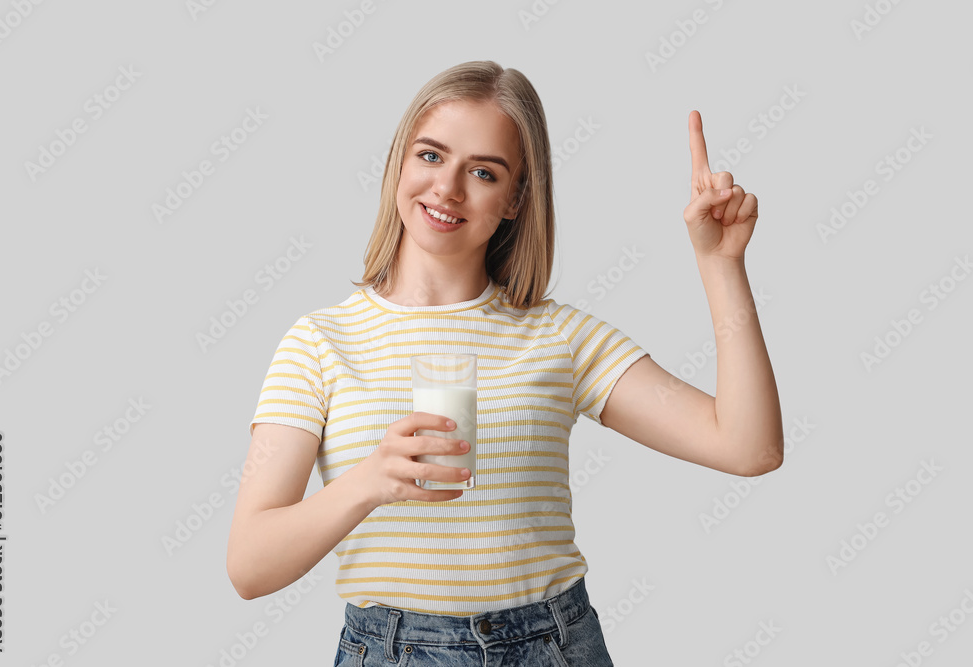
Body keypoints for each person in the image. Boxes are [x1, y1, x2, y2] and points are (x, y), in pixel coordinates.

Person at [226, 60, 783, 666]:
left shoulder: (560, 337)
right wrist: (369, 481)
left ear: (516, 198)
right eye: (431, 156)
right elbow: (250, 566)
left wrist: (721, 265)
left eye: (483, 172)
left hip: (553, 646)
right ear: (399, 164)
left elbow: (748, 447)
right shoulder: (319, 343)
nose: (447, 189)